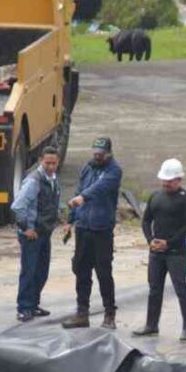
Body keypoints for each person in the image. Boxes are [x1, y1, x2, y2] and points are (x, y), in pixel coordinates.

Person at [62, 137, 123, 330]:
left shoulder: (114, 171)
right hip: (83, 228)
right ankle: (82, 313)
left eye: (101, 154)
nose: (97, 156)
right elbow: (78, 191)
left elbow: (99, 188)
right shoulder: (87, 168)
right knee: (81, 270)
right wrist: (70, 220)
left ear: (109, 153)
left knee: (103, 272)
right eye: (95, 152)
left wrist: (82, 197)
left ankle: (109, 314)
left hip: (102, 229)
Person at [134, 158, 186, 341]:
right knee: (154, 289)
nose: (166, 184)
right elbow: (146, 220)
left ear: (179, 179)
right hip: (156, 253)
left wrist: (169, 243)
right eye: (164, 180)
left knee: (180, 288)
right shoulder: (156, 196)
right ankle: (151, 325)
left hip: (176, 253)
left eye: (169, 181)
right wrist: (150, 240)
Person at [12, 147, 62, 322]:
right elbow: (18, 206)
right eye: (47, 163)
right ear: (41, 160)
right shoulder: (34, 181)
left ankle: (33, 304)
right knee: (29, 271)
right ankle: (24, 307)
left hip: (44, 232)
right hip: (31, 235)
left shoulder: (53, 179)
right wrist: (26, 228)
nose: (51, 166)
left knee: (42, 272)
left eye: (54, 163)